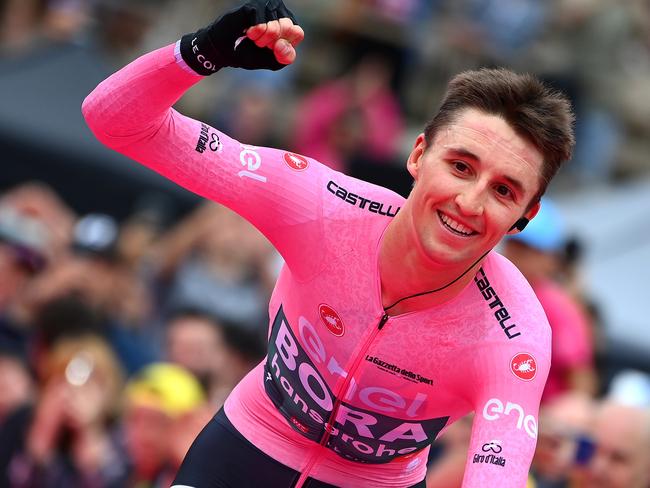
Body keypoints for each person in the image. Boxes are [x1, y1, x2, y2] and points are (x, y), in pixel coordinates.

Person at [82, 1, 575, 486]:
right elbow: (114, 120)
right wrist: (205, 50)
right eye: (460, 167)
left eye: (503, 191)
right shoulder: (320, 206)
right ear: (418, 154)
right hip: (245, 449)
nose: (470, 202)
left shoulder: (513, 336)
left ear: (524, 217)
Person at [502, 199, 598, 402]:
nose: (518, 256)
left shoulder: (558, 308)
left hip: (539, 422)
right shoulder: (488, 288)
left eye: (530, 249)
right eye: (514, 244)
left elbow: (581, 386)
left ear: (550, 259)